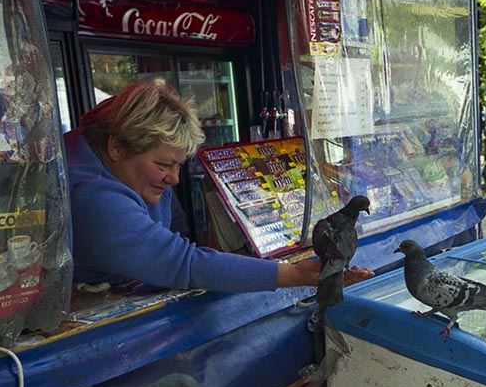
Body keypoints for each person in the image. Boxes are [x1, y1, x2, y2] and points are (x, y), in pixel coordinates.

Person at [66, 81, 373, 292]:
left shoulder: (138, 170)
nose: (173, 179)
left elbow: (178, 230)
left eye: (178, 165)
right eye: (162, 165)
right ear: (117, 147)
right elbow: (183, 262)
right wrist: (293, 274)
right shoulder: (87, 194)